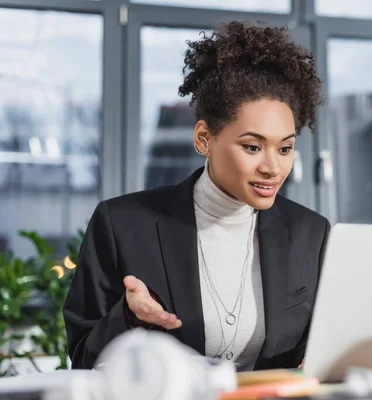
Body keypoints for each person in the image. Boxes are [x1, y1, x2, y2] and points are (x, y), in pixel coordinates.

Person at [63, 20, 330, 371]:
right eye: (252, 147)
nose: (273, 167)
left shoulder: (311, 233)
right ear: (204, 138)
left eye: (285, 149)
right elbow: (84, 358)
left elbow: (319, 347)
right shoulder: (122, 225)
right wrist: (130, 318)